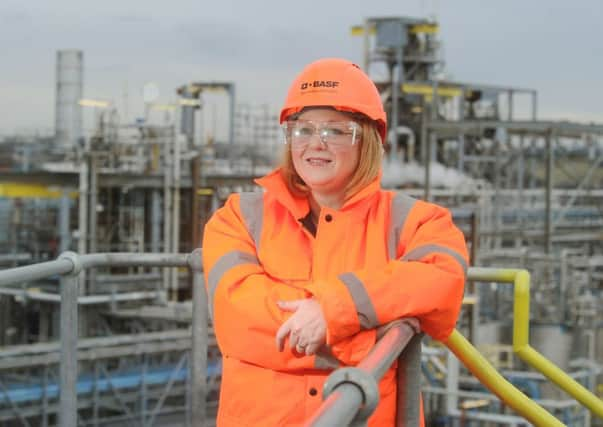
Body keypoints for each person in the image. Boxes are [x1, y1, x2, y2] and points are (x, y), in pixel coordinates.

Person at [202, 58, 468, 426]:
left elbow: (444, 282)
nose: (316, 144)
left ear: (368, 140)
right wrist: (366, 337)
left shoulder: (415, 221)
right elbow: (239, 324)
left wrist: (336, 309)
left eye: (336, 131)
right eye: (303, 130)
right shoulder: (238, 217)